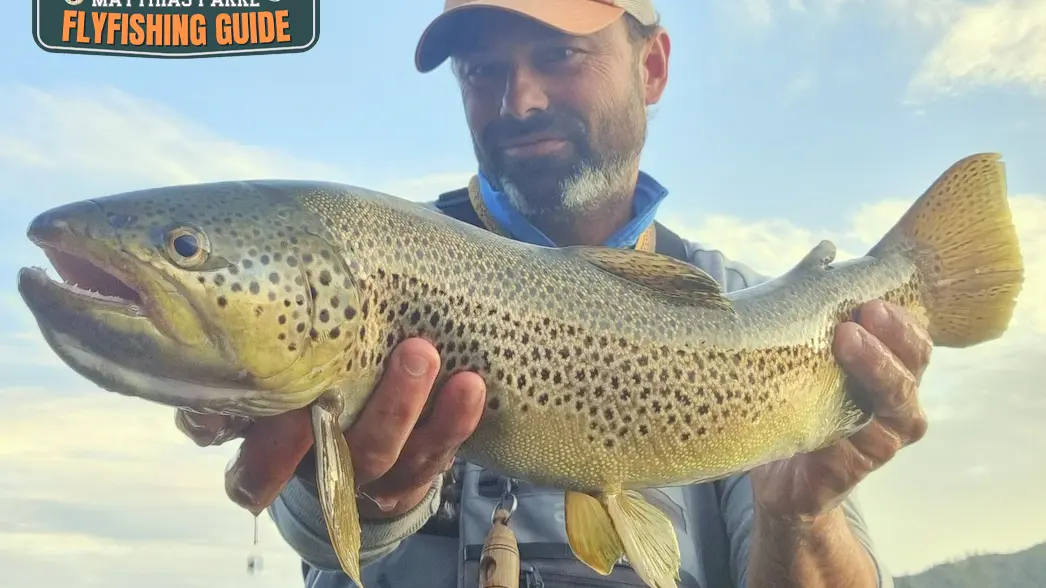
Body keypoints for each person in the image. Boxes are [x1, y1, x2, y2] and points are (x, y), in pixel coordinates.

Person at [176, 1, 930, 586]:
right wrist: (361, 500)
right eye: (481, 70)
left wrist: (801, 515)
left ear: (654, 66)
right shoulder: (375, 273)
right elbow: (315, 534)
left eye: (559, 54)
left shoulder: (752, 324)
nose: (519, 99)